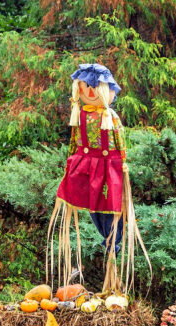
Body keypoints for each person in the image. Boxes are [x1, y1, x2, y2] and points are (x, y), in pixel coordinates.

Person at [47, 63, 149, 295]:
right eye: (86, 86)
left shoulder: (110, 117)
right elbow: (75, 140)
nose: (90, 91)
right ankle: (110, 246)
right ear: (79, 88)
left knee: (112, 210)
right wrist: (70, 161)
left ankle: (114, 249)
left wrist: (123, 166)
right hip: (86, 167)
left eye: (95, 86)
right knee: (94, 208)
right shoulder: (80, 114)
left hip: (108, 168)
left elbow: (121, 145)